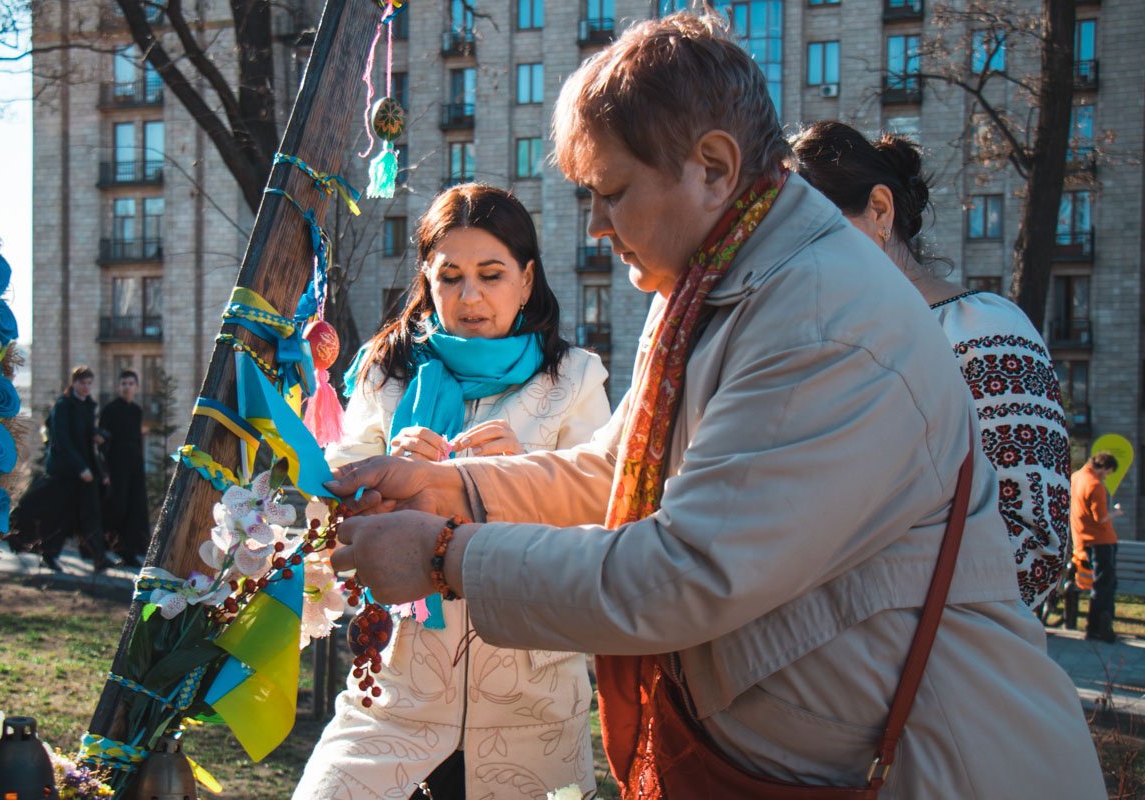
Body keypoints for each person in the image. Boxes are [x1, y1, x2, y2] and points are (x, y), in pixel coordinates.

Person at [321, 14, 1104, 798]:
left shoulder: (821, 317)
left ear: (713, 167)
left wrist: (443, 557)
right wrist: (456, 490)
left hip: (935, 768)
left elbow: (681, 576)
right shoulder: (713, 276)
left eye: (613, 192)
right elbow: (620, 468)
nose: (595, 226)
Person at [292, 184, 611, 800]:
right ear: (427, 280)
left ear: (526, 278)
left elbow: (603, 519)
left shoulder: (573, 379)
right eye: (451, 277)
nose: (470, 297)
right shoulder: (384, 373)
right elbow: (327, 510)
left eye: (491, 275)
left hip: (533, 708)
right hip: (394, 691)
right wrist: (385, 478)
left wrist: (517, 474)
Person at [791, 120, 1070, 611]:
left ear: (880, 210)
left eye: (810, 235)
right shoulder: (829, 344)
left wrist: (845, 589)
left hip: (949, 668)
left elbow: (1033, 549)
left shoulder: (981, 332)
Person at [8, 365, 112, 572]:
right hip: (67, 472)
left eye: (89, 383)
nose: (86, 387)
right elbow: (62, 440)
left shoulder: (87, 405)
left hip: (87, 472)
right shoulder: (63, 406)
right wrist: (80, 467)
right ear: (73, 383)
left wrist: (101, 436)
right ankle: (49, 555)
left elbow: (86, 433)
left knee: (91, 514)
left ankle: (99, 557)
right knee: (59, 516)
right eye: (82, 382)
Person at [99, 369, 150, 567]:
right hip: (116, 466)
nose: (127, 387)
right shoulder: (110, 409)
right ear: (118, 386)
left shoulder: (137, 411)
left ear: (136, 387)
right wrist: (105, 470)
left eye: (131, 383)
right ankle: (111, 548)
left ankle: (131, 551)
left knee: (135, 508)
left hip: (134, 466)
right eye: (124, 383)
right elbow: (103, 441)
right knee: (117, 506)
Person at [1071, 451, 1122, 643]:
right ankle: (1098, 625)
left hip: (1082, 540)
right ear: (1106, 467)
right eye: (1108, 472)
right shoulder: (1095, 485)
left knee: (1100, 583)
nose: (1106, 476)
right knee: (1105, 584)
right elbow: (1100, 518)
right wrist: (1115, 513)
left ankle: (1094, 626)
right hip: (1101, 541)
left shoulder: (1076, 478)